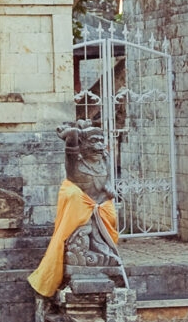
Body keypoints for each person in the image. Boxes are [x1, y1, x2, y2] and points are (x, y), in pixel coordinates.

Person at [28, 119, 122, 296]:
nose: (100, 145)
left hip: (99, 209)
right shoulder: (75, 164)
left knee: (107, 233)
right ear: (83, 144)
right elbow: (71, 143)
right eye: (94, 141)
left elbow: (107, 176)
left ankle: (103, 250)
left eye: (102, 140)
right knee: (82, 234)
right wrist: (70, 133)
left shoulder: (103, 160)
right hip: (81, 214)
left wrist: (108, 185)